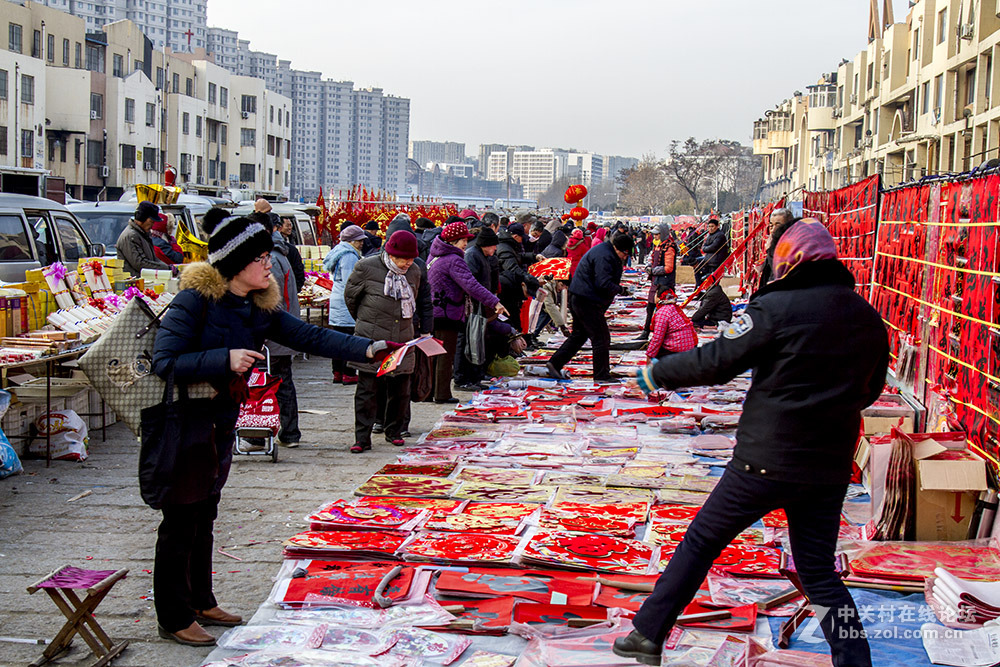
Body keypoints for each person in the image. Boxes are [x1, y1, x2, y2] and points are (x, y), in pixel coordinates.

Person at [615, 220, 888, 667]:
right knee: (818, 569)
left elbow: (717, 361)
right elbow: (871, 390)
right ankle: (854, 659)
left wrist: (656, 372)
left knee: (702, 540)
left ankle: (647, 632)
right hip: (829, 463)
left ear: (788, 259)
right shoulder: (866, 317)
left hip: (766, 459)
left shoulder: (775, 308)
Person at [150, 208, 398, 647]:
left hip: (219, 420)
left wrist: (371, 347)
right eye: (262, 258)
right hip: (183, 422)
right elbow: (164, 362)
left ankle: (201, 599)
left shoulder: (257, 304)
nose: (270, 264)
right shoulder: (193, 301)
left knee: (205, 511)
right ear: (234, 263)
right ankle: (173, 615)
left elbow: (311, 337)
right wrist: (224, 358)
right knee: (180, 518)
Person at [344, 230, 421, 453]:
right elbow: (351, 298)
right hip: (372, 336)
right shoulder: (366, 267)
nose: (407, 263)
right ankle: (362, 438)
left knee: (400, 389)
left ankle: (394, 431)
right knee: (367, 390)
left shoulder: (414, 271)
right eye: (402, 259)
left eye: (410, 258)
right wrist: (366, 322)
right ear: (390, 253)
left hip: (403, 337)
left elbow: (418, 298)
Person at [428, 221, 508, 403]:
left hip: (435, 310)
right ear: (454, 240)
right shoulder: (454, 259)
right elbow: (471, 284)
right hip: (448, 311)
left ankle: (429, 392)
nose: (466, 244)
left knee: (434, 355)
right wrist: (494, 302)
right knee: (445, 355)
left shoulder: (435, 255)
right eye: (463, 240)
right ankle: (441, 394)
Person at [547, 234, 634, 382]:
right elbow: (603, 283)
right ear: (618, 249)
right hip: (587, 300)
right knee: (601, 337)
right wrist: (620, 290)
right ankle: (601, 375)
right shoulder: (605, 256)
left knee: (580, 335)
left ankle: (555, 363)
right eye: (625, 254)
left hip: (581, 297)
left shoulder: (605, 251)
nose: (625, 258)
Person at [456, 226, 501, 390]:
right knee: (467, 341)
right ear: (486, 244)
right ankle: (462, 379)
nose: (495, 249)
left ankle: (475, 376)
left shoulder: (481, 255)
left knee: (476, 341)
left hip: (480, 305)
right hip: (471, 306)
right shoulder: (472, 256)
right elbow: (471, 284)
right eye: (493, 245)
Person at [324, 225, 366, 385]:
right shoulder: (349, 256)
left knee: (338, 339)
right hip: (345, 302)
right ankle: (348, 373)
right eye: (359, 240)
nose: (362, 243)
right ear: (352, 241)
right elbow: (352, 281)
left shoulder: (338, 252)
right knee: (348, 339)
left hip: (337, 299)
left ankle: (337, 372)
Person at [496, 222, 541, 331]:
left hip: (509, 287)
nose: (523, 241)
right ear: (516, 236)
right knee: (511, 320)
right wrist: (528, 278)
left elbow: (517, 257)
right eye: (521, 237)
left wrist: (534, 257)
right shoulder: (505, 248)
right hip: (506, 290)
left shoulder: (508, 245)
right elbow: (512, 268)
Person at [639, 223, 677, 341]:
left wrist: (653, 270)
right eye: (654, 234)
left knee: (664, 310)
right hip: (656, 282)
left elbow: (668, 268)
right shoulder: (658, 246)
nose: (655, 236)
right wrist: (649, 266)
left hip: (665, 284)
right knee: (650, 307)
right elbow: (653, 260)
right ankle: (646, 331)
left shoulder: (669, 247)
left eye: (657, 234)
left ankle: (662, 334)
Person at [117, 201, 173, 277]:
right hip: (133, 283)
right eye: (151, 222)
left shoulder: (143, 234)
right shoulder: (131, 236)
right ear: (142, 218)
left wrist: (168, 268)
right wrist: (166, 268)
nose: (152, 225)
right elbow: (140, 263)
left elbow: (153, 259)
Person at [646, 287, 697, 361]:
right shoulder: (675, 308)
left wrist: (649, 355)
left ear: (659, 297)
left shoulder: (663, 312)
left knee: (655, 350)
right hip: (691, 346)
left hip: (678, 348)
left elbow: (657, 338)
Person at [757, 208, 796, 286]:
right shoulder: (774, 243)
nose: (773, 230)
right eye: (771, 225)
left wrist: (769, 250)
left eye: (778, 225)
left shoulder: (793, 245)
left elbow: (780, 271)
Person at [276, 215, 305, 290]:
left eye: (290, 225)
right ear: (280, 227)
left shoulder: (292, 239)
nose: (290, 228)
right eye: (287, 225)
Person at [696, 218, 729, 284]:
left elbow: (713, 247)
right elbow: (704, 246)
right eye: (709, 226)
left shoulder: (720, 235)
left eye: (712, 226)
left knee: (712, 279)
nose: (710, 228)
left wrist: (705, 249)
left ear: (717, 226)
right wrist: (705, 248)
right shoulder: (710, 235)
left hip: (715, 261)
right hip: (708, 260)